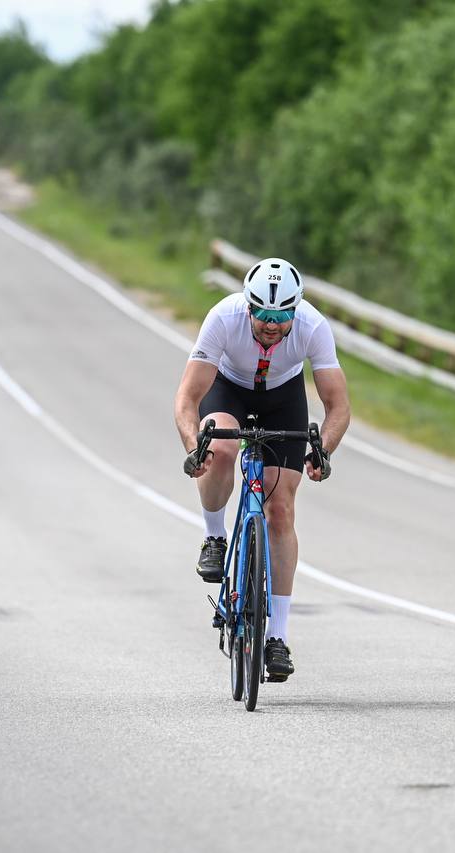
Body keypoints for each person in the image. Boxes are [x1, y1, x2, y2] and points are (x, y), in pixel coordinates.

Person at [173, 257, 351, 681]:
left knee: (281, 509)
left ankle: (277, 637)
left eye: (282, 316)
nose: (272, 325)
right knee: (220, 446)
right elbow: (187, 399)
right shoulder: (222, 318)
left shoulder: (312, 326)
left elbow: (338, 405)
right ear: (248, 307)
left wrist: (322, 450)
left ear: (296, 310)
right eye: (264, 315)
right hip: (229, 389)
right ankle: (214, 537)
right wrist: (193, 448)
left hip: (282, 396)